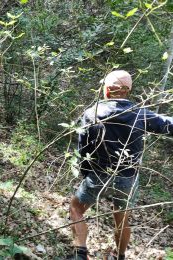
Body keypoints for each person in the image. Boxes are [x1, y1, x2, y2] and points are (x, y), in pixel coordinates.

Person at [68, 70, 173, 260]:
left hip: (99, 175)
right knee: (122, 219)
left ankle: (80, 254)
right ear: (128, 91)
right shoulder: (141, 114)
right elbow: (168, 124)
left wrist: (85, 173)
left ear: (107, 90)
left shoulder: (92, 113)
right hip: (127, 179)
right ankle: (120, 256)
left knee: (76, 208)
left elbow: (82, 148)